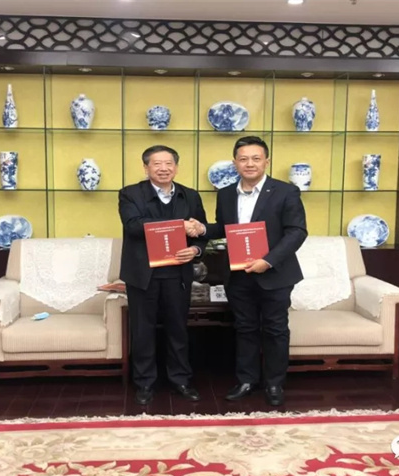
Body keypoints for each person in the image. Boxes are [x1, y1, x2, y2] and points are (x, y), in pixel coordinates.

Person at [185, 136, 307, 406]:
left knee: (275, 329)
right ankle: (246, 380)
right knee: (244, 328)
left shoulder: (286, 192)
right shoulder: (226, 194)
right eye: (243, 159)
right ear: (235, 163)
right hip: (238, 274)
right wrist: (202, 229)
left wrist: (268, 260)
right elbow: (225, 227)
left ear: (266, 162)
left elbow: (296, 232)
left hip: (275, 273)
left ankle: (274, 384)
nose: (249, 164)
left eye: (255, 158)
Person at [119, 145, 209, 406]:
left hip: (177, 272)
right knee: (142, 330)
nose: (163, 168)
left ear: (176, 167)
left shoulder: (190, 195)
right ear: (146, 167)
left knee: (178, 329)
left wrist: (195, 249)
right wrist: (179, 226)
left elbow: (200, 232)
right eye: (157, 164)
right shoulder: (130, 194)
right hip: (142, 273)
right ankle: (144, 383)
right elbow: (133, 226)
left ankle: (180, 379)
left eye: (169, 163)